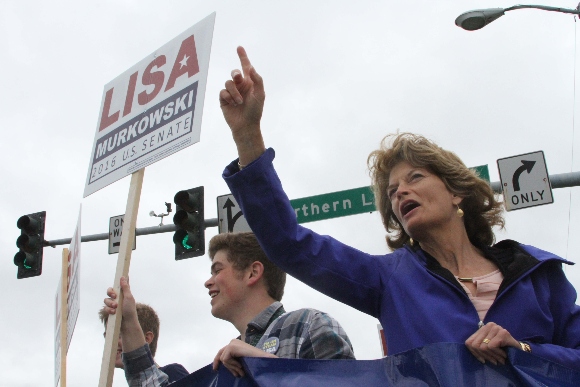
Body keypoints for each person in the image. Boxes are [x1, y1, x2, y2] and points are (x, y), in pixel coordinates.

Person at [218, 46, 580, 370]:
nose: (401, 192)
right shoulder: (389, 280)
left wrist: (523, 349)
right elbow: (289, 244)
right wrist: (248, 136)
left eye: (415, 178)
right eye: (392, 191)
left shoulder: (538, 274)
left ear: (456, 192)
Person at [102, 232, 355, 385]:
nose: (208, 281)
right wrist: (129, 322)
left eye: (217, 270)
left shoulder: (309, 325)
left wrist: (265, 366)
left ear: (253, 272)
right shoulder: (225, 364)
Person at [98, 303, 188, 383]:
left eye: (120, 335)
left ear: (147, 338)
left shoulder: (172, 373)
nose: (113, 342)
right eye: (108, 336)